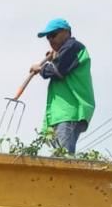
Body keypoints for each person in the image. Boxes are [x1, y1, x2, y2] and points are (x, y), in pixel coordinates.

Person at [29, 18, 95, 154]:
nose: (50, 40)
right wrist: (55, 57)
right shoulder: (65, 52)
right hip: (58, 114)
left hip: (69, 112)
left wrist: (40, 68)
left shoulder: (74, 47)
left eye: (53, 35)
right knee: (57, 156)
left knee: (63, 157)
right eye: (48, 37)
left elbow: (56, 70)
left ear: (66, 32)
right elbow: (61, 65)